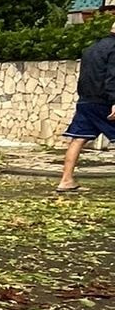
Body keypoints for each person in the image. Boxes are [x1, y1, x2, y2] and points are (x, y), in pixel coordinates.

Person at [58, 23, 115, 193]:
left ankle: (66, 180)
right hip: (104, 102)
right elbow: (113, 76)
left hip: (86, 101)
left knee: (78, 139)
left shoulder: (91, 48)